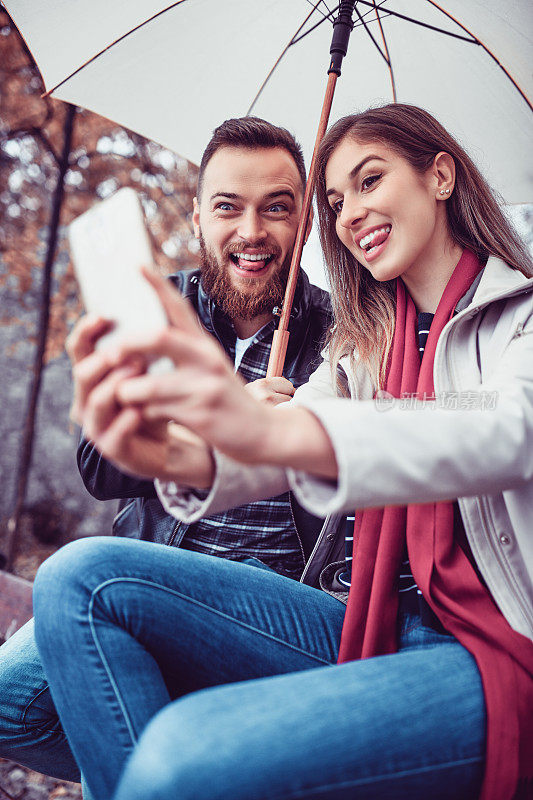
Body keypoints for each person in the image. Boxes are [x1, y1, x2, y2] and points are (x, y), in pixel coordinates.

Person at [32, 104, 533, 800]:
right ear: (200, 214)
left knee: (173, 760)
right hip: (366, 620)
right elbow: (289, 431)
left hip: (488, 643)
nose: (350, 212)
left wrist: (270, 429)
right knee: (78, 575)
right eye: (335, 200)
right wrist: (177, 453)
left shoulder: (521, 319)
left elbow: (496, 430)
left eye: (367, 181)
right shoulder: (363, 343)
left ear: (440, 175)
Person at [0, 117, 331, 786]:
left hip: (273, 600)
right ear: (198, 214)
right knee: (12, 705)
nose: (251, 231)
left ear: (306, 222)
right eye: (228, 206)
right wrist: (222, 428)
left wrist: (286, 436)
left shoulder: (342, 331)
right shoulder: (157, 309)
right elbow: (97, 467)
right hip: (152, 571)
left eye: (277, 207)